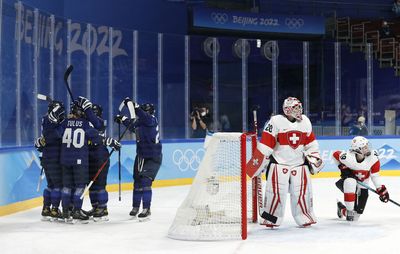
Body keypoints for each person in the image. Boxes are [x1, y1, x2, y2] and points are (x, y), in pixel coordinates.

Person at [246, 97, 324, 228]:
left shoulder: (305, 121)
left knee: (302, 193)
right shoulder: (276, 121)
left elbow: (311, 144)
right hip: (279, 163)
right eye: (295, 108)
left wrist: (314, 156)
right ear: (287, 109)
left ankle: (305, 216)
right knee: (275, 193)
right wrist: (255, 166)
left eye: (299, 107)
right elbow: (266, 145)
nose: (299, 110)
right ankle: (271, 217)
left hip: (299, 164)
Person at [59, 102, 120, 223]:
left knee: (71, 186)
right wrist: (109, 141)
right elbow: (96, 136)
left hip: (69, 159)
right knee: (83, 186)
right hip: (81, 159)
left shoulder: (64, 123)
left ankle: (68, 210)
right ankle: (79, 210)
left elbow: (56, 135)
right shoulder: (86, 123)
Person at [114, 99, 162, 221]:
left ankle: (146, 208)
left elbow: (143, 116)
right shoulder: (141, 123)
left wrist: (135, 107)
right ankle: (135, 207)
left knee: (146, 181)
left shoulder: (151, 120)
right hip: (141, 155)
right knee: (137, 182)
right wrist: (123, 119)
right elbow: (132, 125)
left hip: (153, 156)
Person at [333, 136, 389, 222]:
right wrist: (342, 167)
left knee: (356, 217)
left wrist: (380, 189)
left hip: (364, 184)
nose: (368, 148)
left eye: (367, 145)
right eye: (365, 147)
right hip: (348, 184)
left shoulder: (373, 158)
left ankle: (342, 210)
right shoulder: (348, 157)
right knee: (350, 182)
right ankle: (349, 211)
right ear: (357, 150)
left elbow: (375, 175)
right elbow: (335, 154)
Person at [76, 96, 112, 221]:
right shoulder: (86, 124)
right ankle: (96, 207)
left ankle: (103, 208)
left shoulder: (100, 123)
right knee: (91, 185)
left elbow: (95, 125)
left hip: (100, 157)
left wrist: (87, 109)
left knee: (99, 185)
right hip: (89, 157)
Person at [34, 101, 65, 221]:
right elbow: (57, 135)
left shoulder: (45, 120)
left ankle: (46, 208)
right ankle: (54, 209)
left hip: (46, 158)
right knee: (58, 185)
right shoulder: (53, 125)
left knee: (50, 185)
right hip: (54, 158)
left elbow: (42, 140)